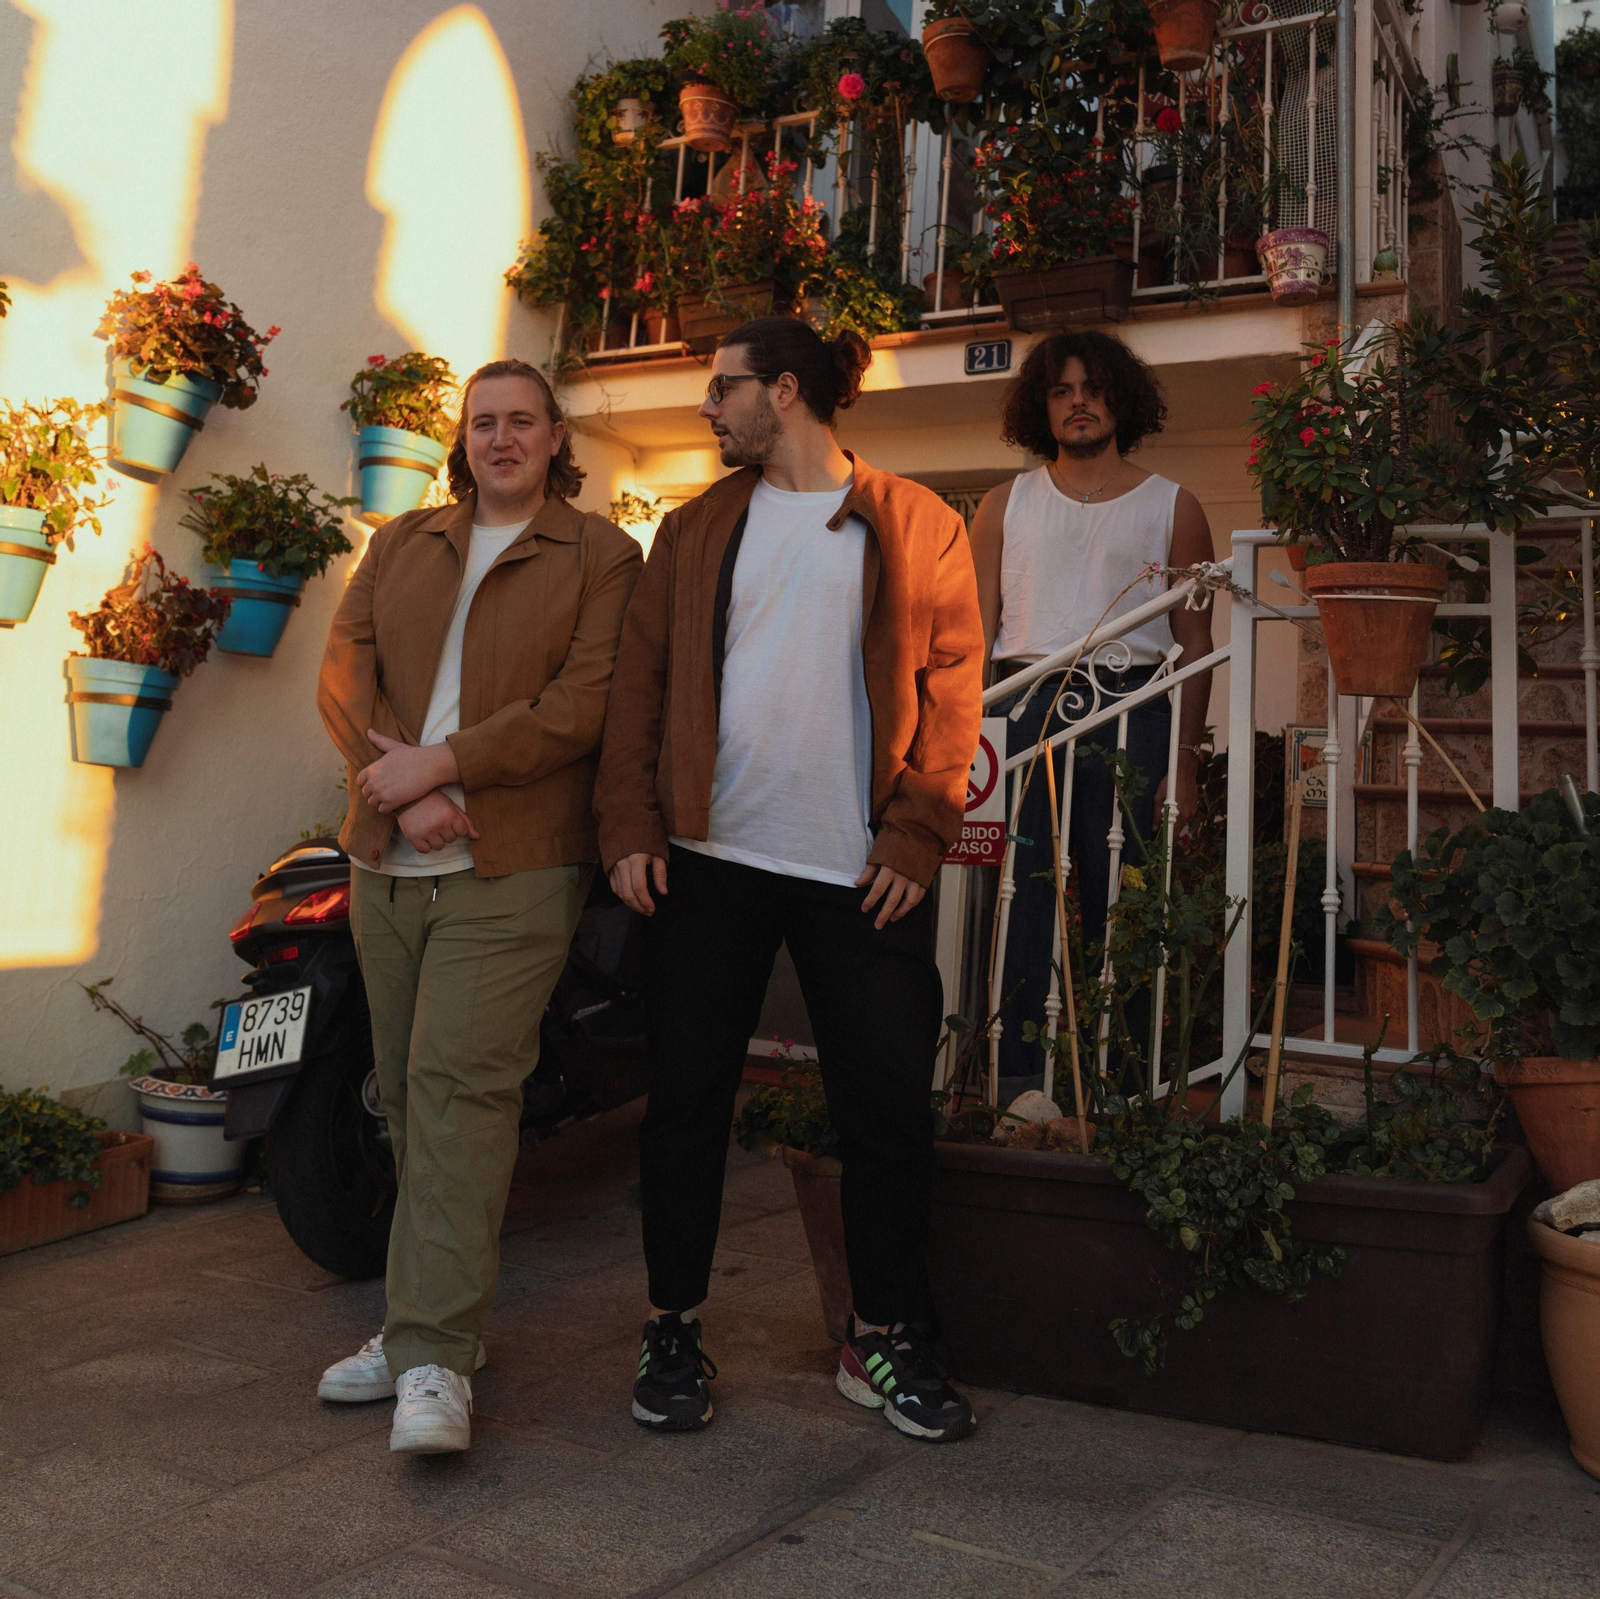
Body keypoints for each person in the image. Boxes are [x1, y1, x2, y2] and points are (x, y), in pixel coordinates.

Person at [594, 317, 984, 1443]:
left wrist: (918, 834)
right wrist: (628, 822)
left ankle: (884, 1338)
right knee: (684, 1104)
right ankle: (673, 1326)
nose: (709, 409)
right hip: (708, 862)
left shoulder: (917, 525)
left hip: (860, 874)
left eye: (723, 390)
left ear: (786, 390)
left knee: (885, 1116)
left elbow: (956, 692)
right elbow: (638, 685)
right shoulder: (695, 528)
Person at [313, 358, 642, 1454]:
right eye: (482, 422)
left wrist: (446, 766)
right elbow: (344, 669)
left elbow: (584, 703)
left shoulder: (601, 555)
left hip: (514, 864)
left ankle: (436, 1358)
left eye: (522, 421)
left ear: (555, 439)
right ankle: (424, 1326)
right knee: (409, 1102)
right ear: (463, 440)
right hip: (386, 856)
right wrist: (398, 788)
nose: (500, 438)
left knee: (458, 1094)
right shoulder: (404, 542)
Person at [969, 330, 1214, 1104]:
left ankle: (1123, 1086)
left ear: (1121, 398)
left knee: (1128, 899)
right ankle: (1018, 1086)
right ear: (1042, 405)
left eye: (1093, 387)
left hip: (1134, 707)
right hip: (1024, 708)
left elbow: (1196, 644)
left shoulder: (1174, 505)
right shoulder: (1002, 504)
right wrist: (959, 747)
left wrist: (1185, 765)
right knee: (1023, 895)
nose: (1078, 402)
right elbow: (977, 637)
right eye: (1061, 390)